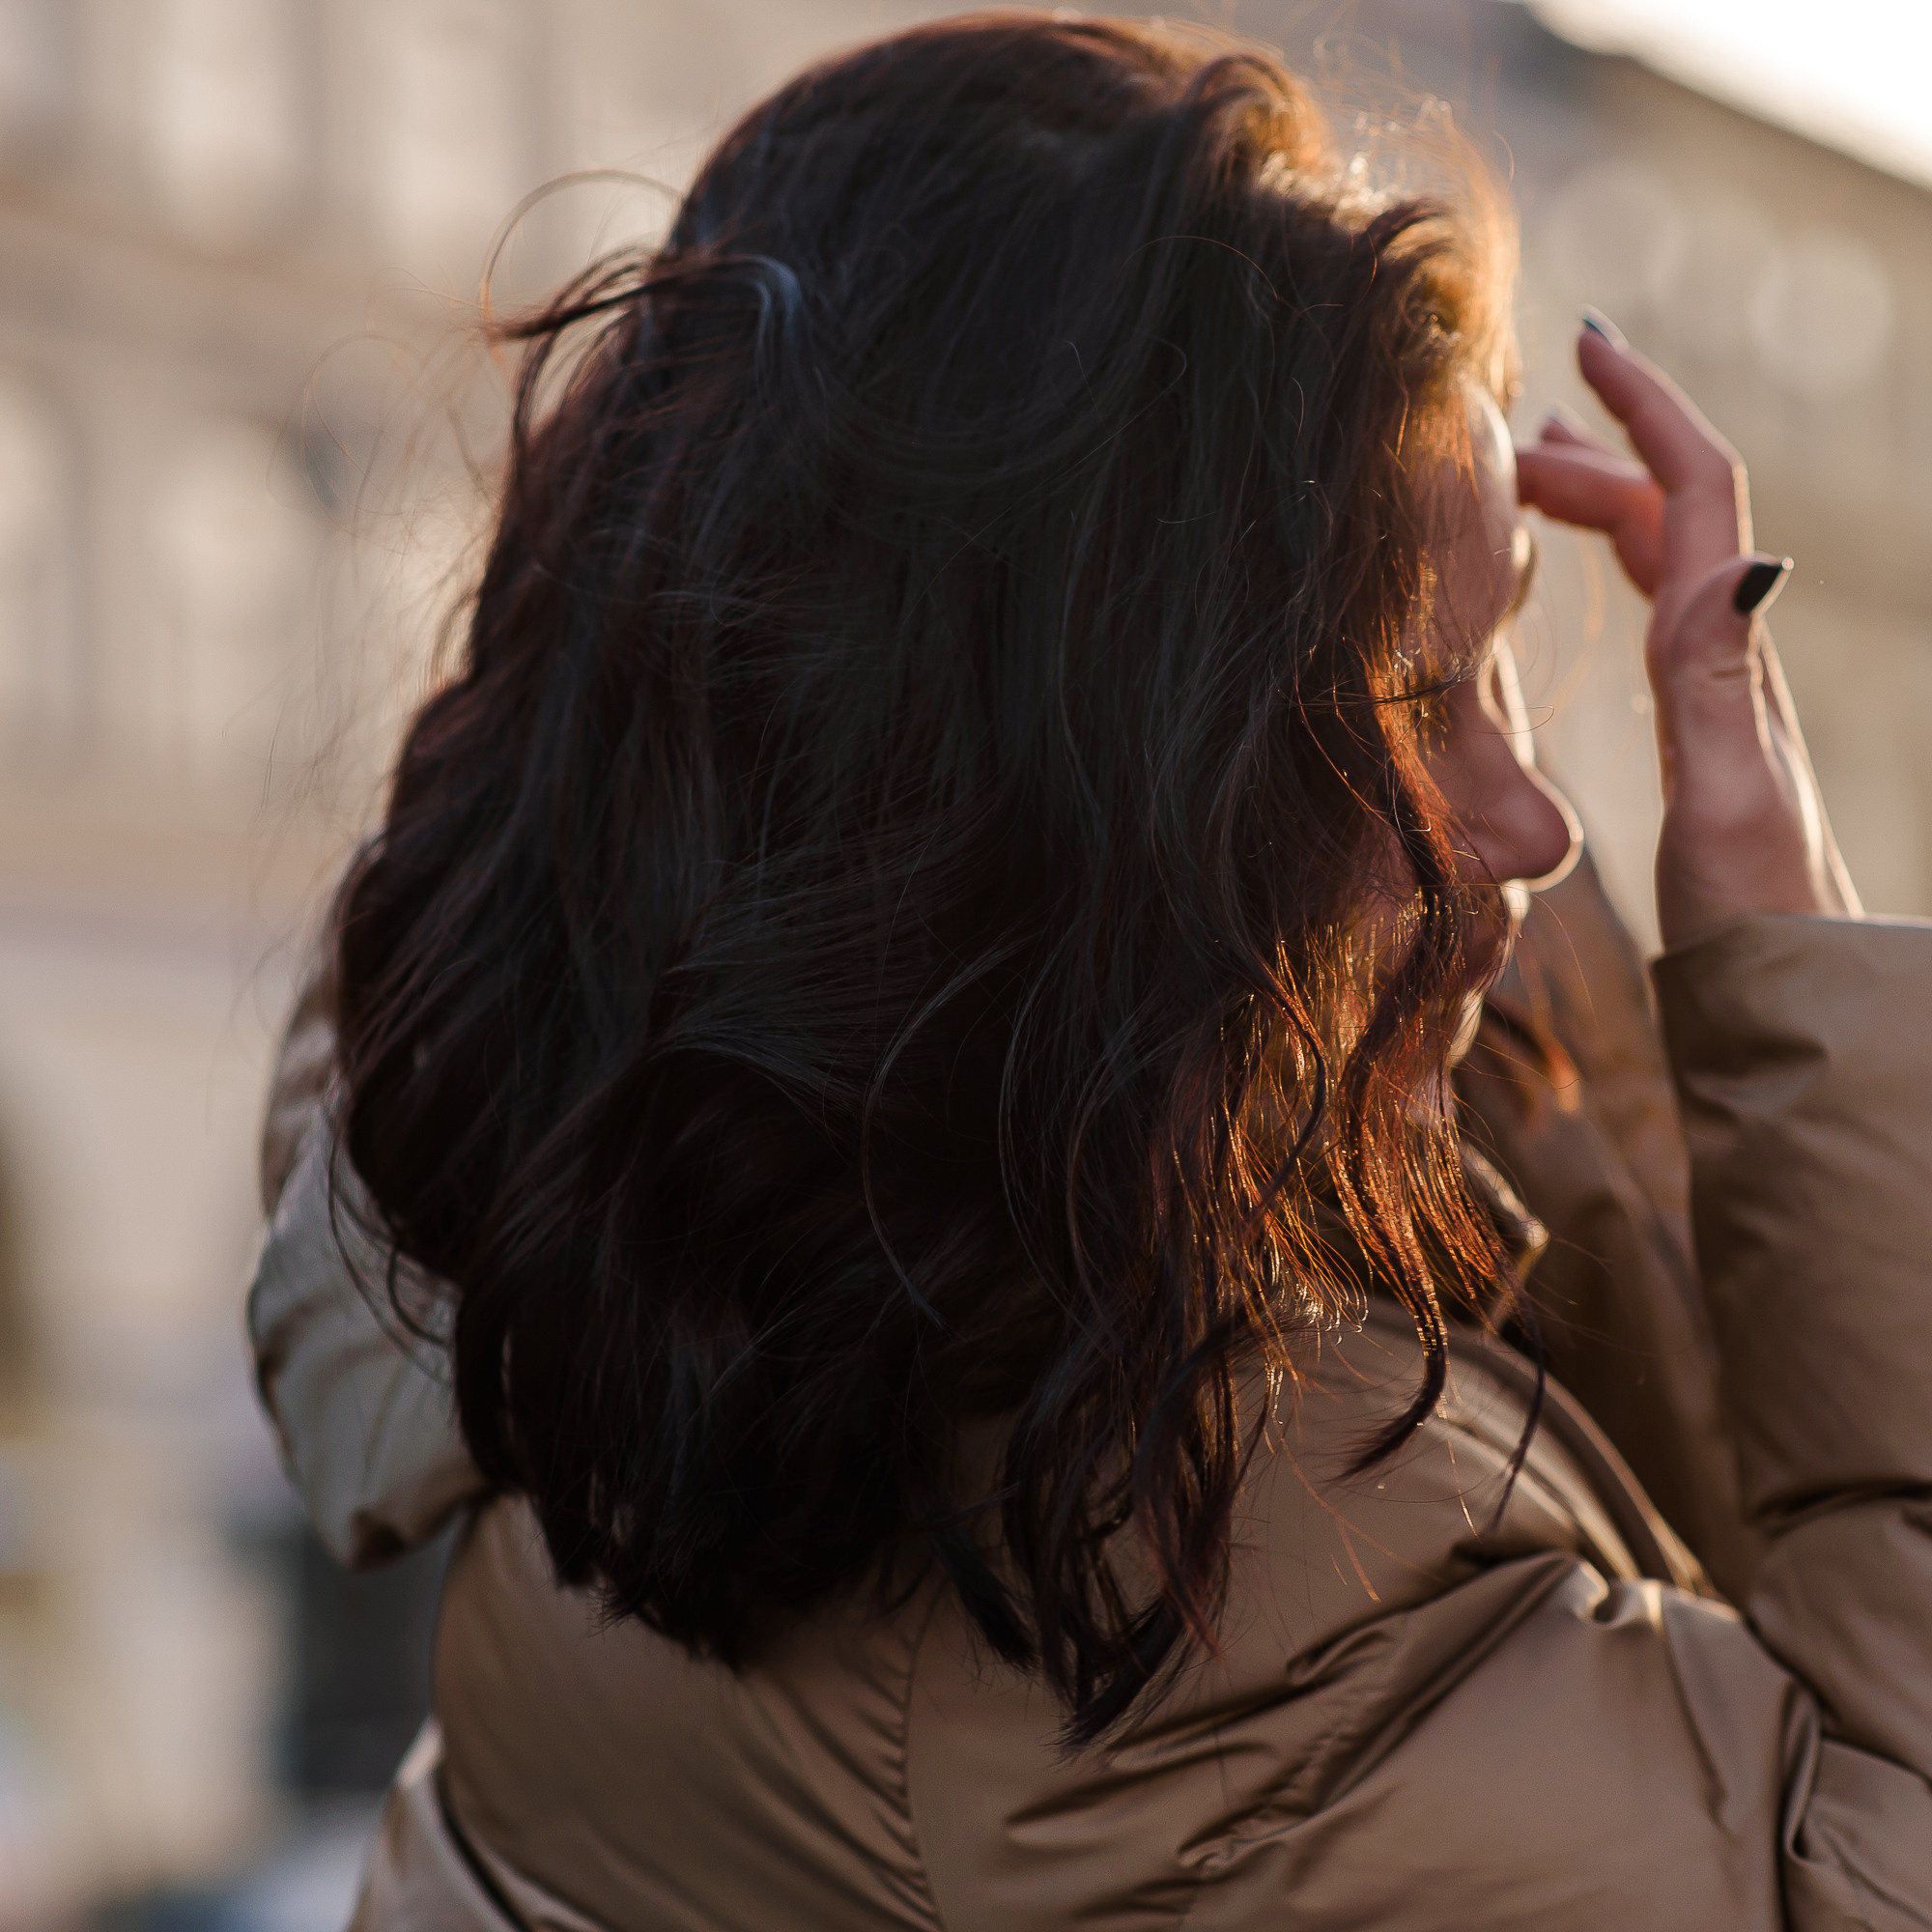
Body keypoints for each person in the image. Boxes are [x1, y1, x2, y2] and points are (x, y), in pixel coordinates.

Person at [246, 15, 1931, 1925]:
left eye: (1503, 663)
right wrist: (1794, 979)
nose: (1539, 828)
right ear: (1058, 815)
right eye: (1396, 702)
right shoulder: (1197, 1642)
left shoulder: (598, 1235)